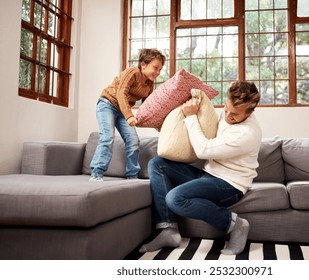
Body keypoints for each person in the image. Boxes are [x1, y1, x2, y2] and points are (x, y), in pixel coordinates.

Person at [139, 80, 262, 255]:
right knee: (158, 164)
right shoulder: (230, 113)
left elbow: (204, 149)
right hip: (209, 174)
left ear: (250, 112)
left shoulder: (247, 133)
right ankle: (168, 229)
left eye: (234, 114)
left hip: (230, 185)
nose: (228, 116)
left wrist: (191, 117)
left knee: (175, 198)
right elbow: (208, 130)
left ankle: (236, 224)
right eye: (226, 109)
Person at [89, 48, 166, 182]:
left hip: (122, 111)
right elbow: (121, 93)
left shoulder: (149, 83)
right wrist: (130, 116)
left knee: (133, 140)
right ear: (143, 64)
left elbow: (147, 105)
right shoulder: (132, 72)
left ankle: (132, 176)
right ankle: (96, 173)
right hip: (107, 104)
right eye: (155, 68)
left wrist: (157, 123)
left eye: (160, 69)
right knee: (107, 137)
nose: (158, 72)